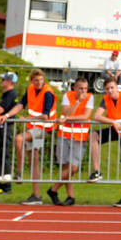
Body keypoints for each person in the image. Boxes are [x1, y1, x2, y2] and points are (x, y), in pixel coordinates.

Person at [49, 76, 95, 206]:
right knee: (66, 168)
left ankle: (53, 189)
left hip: (80, 137)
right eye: (81, 88)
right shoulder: (67, 96)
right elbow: (66, 112)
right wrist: (77, 102)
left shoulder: (90, 97)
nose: (83, 91)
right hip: (64, 135)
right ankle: (71, 197)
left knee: (73, 168)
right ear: (75, 87)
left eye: (85, 88)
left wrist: (67, 118)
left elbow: (86, 116)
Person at [16, 69, 58, 206]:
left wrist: (26, 118)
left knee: (19, 139)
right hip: (33, 127)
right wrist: (7, 115)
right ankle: (36, 194)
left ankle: (19, 172)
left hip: (42, 128)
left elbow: (45, 116)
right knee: (33, 159)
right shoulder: (30, 89)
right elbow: (21, 104)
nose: (39, 82)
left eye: (40, 80)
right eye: (36, 80)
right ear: (32, 81)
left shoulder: (48, 93)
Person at [93, 79, 121, 208]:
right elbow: (97, 116)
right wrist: (113, 122)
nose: (110, 91)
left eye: (112, 88)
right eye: (107, 89)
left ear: (117, 88)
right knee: (94, 135)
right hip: (116, 128)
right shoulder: (105, 99)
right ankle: (96, 171)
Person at [0, 71, 23, 195]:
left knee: (3, 153)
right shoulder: (7, 94)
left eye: (3, 80)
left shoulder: (10, 94)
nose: (1, 82)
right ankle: (0, 184)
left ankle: (6, 185)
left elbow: (0, 109)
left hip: (6, 126)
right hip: (1, 126)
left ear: (9, 82)